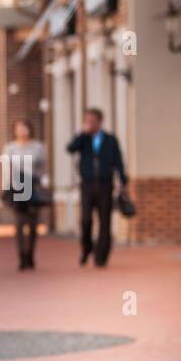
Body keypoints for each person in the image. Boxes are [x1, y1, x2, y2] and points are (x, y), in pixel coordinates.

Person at [66, 108, 128, 267]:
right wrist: (83, 133)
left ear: (100, 122)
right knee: (86, 220)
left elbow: (118, 162)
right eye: (87, 121)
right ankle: (87, 248)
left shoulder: (110, 140)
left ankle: (101, 256)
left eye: (92, 121)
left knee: (104, 221)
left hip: (105, 185)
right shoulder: (83, 139)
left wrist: (123, 182)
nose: (89, 124)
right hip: (87, 185)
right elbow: (70, 148)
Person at [1, 119, 49, 271]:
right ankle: (22, 256)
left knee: (33, 223)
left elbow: (42, 168)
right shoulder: (10, 148)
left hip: (33, 185)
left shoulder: (38, 147)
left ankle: (31, 254)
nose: (22, 131)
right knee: (20, 222)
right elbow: (6, 169)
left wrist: (41, 183)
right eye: (19, 128)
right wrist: (5, 189)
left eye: (25, 128)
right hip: (17, 187)